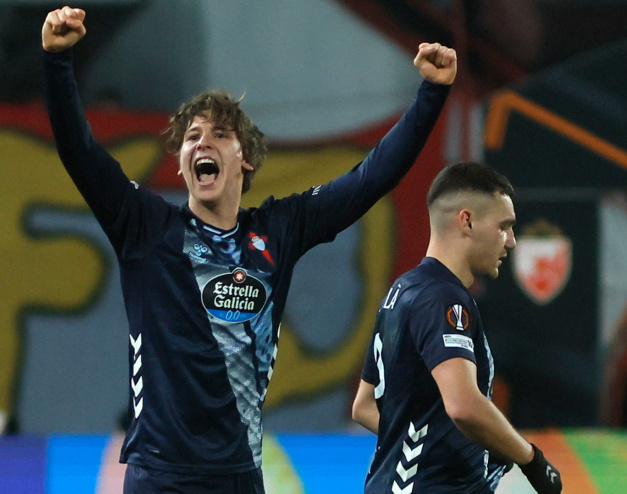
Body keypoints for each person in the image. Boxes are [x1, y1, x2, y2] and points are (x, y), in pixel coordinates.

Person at [40, 6, 457, 493]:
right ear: (181, 162)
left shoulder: (279, 230)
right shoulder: (145, 226)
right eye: (192, 136)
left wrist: (431, 93)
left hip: (238, 477)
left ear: (247, 159)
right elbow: (79, 151)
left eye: (220, 134)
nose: (203, 143)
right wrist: (56, 62)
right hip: (159, 477)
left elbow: (370, 179)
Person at [352, 162, 562, 493]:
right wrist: (531, 460)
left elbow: (364, 406)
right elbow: (464, 405)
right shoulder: (443, 298)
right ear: (467, 220)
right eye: (504, 227)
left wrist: (447, 449)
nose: (511, 242)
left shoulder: (403, 291)